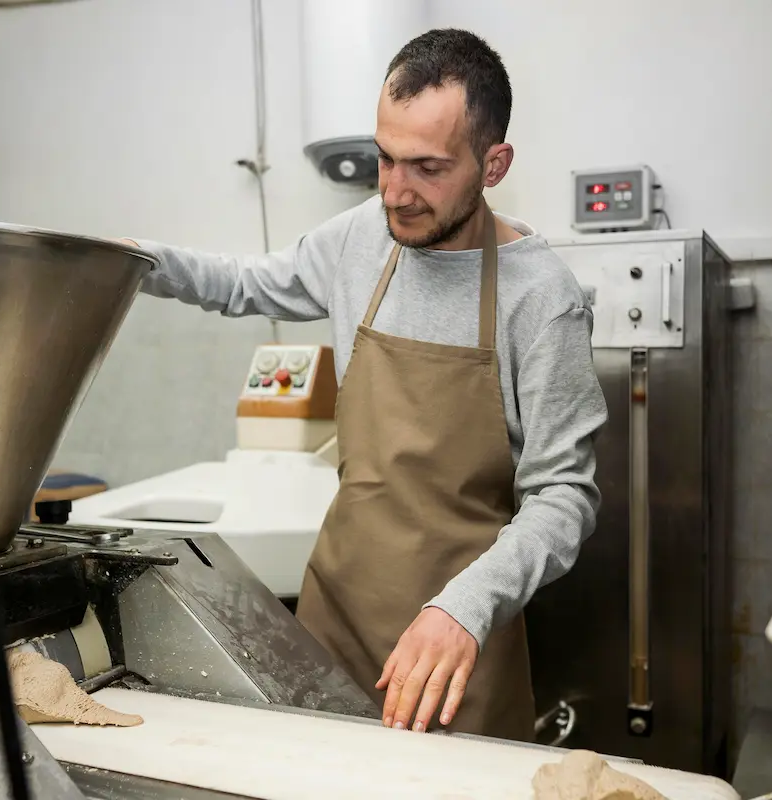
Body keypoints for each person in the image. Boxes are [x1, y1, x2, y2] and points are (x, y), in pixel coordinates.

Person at [124, 28, 607, 742]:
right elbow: (245, 283)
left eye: (427, 167)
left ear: (494, 163)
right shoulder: (361, 238)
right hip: (335, 616)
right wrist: (127, 262)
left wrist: (464, 608)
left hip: (452, 652)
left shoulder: (541, 298)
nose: (395, 192)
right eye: (385, 158)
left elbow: (564, 496)